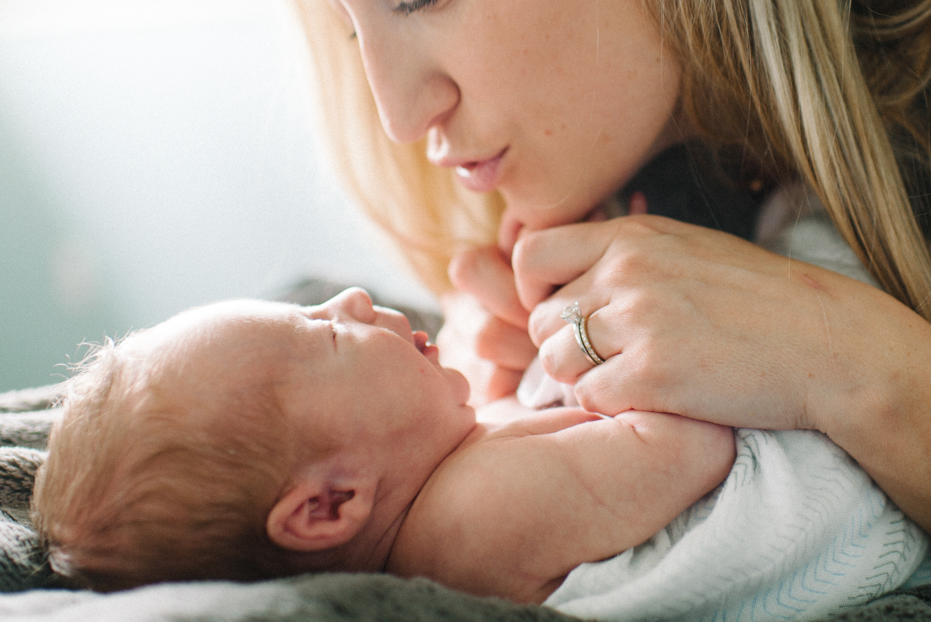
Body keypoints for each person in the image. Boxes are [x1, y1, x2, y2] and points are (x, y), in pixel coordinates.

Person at [243, 0, 931, 536]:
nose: (397, 116)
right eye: (350, 25)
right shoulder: (604, 143)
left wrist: (855, 364)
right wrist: (478, 405)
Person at [30, 290, 925, 619]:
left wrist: (510, 393)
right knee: (815, 259)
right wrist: (595, 332)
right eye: (325, 338)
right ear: (329, 507)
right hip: (835, 499)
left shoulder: (447, 494)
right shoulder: (480, 513)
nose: (348, 298)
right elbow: (687, 447)